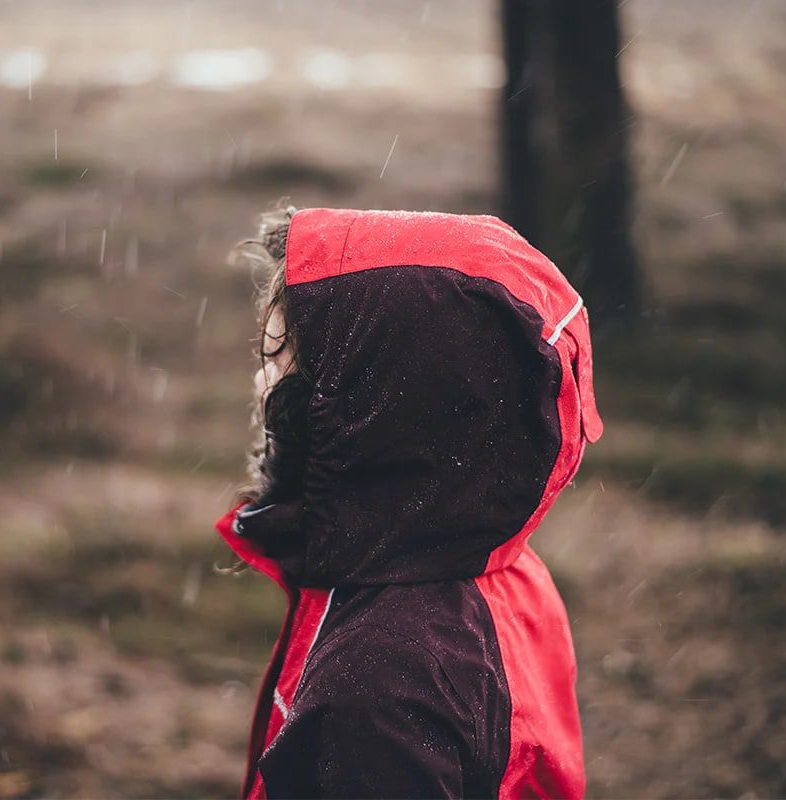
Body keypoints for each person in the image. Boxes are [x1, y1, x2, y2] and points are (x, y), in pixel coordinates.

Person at [216, 206, 604, 799]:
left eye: (287, 357)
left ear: (380, 411)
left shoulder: (376, 690)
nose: (266, 381)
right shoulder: (493, 568)